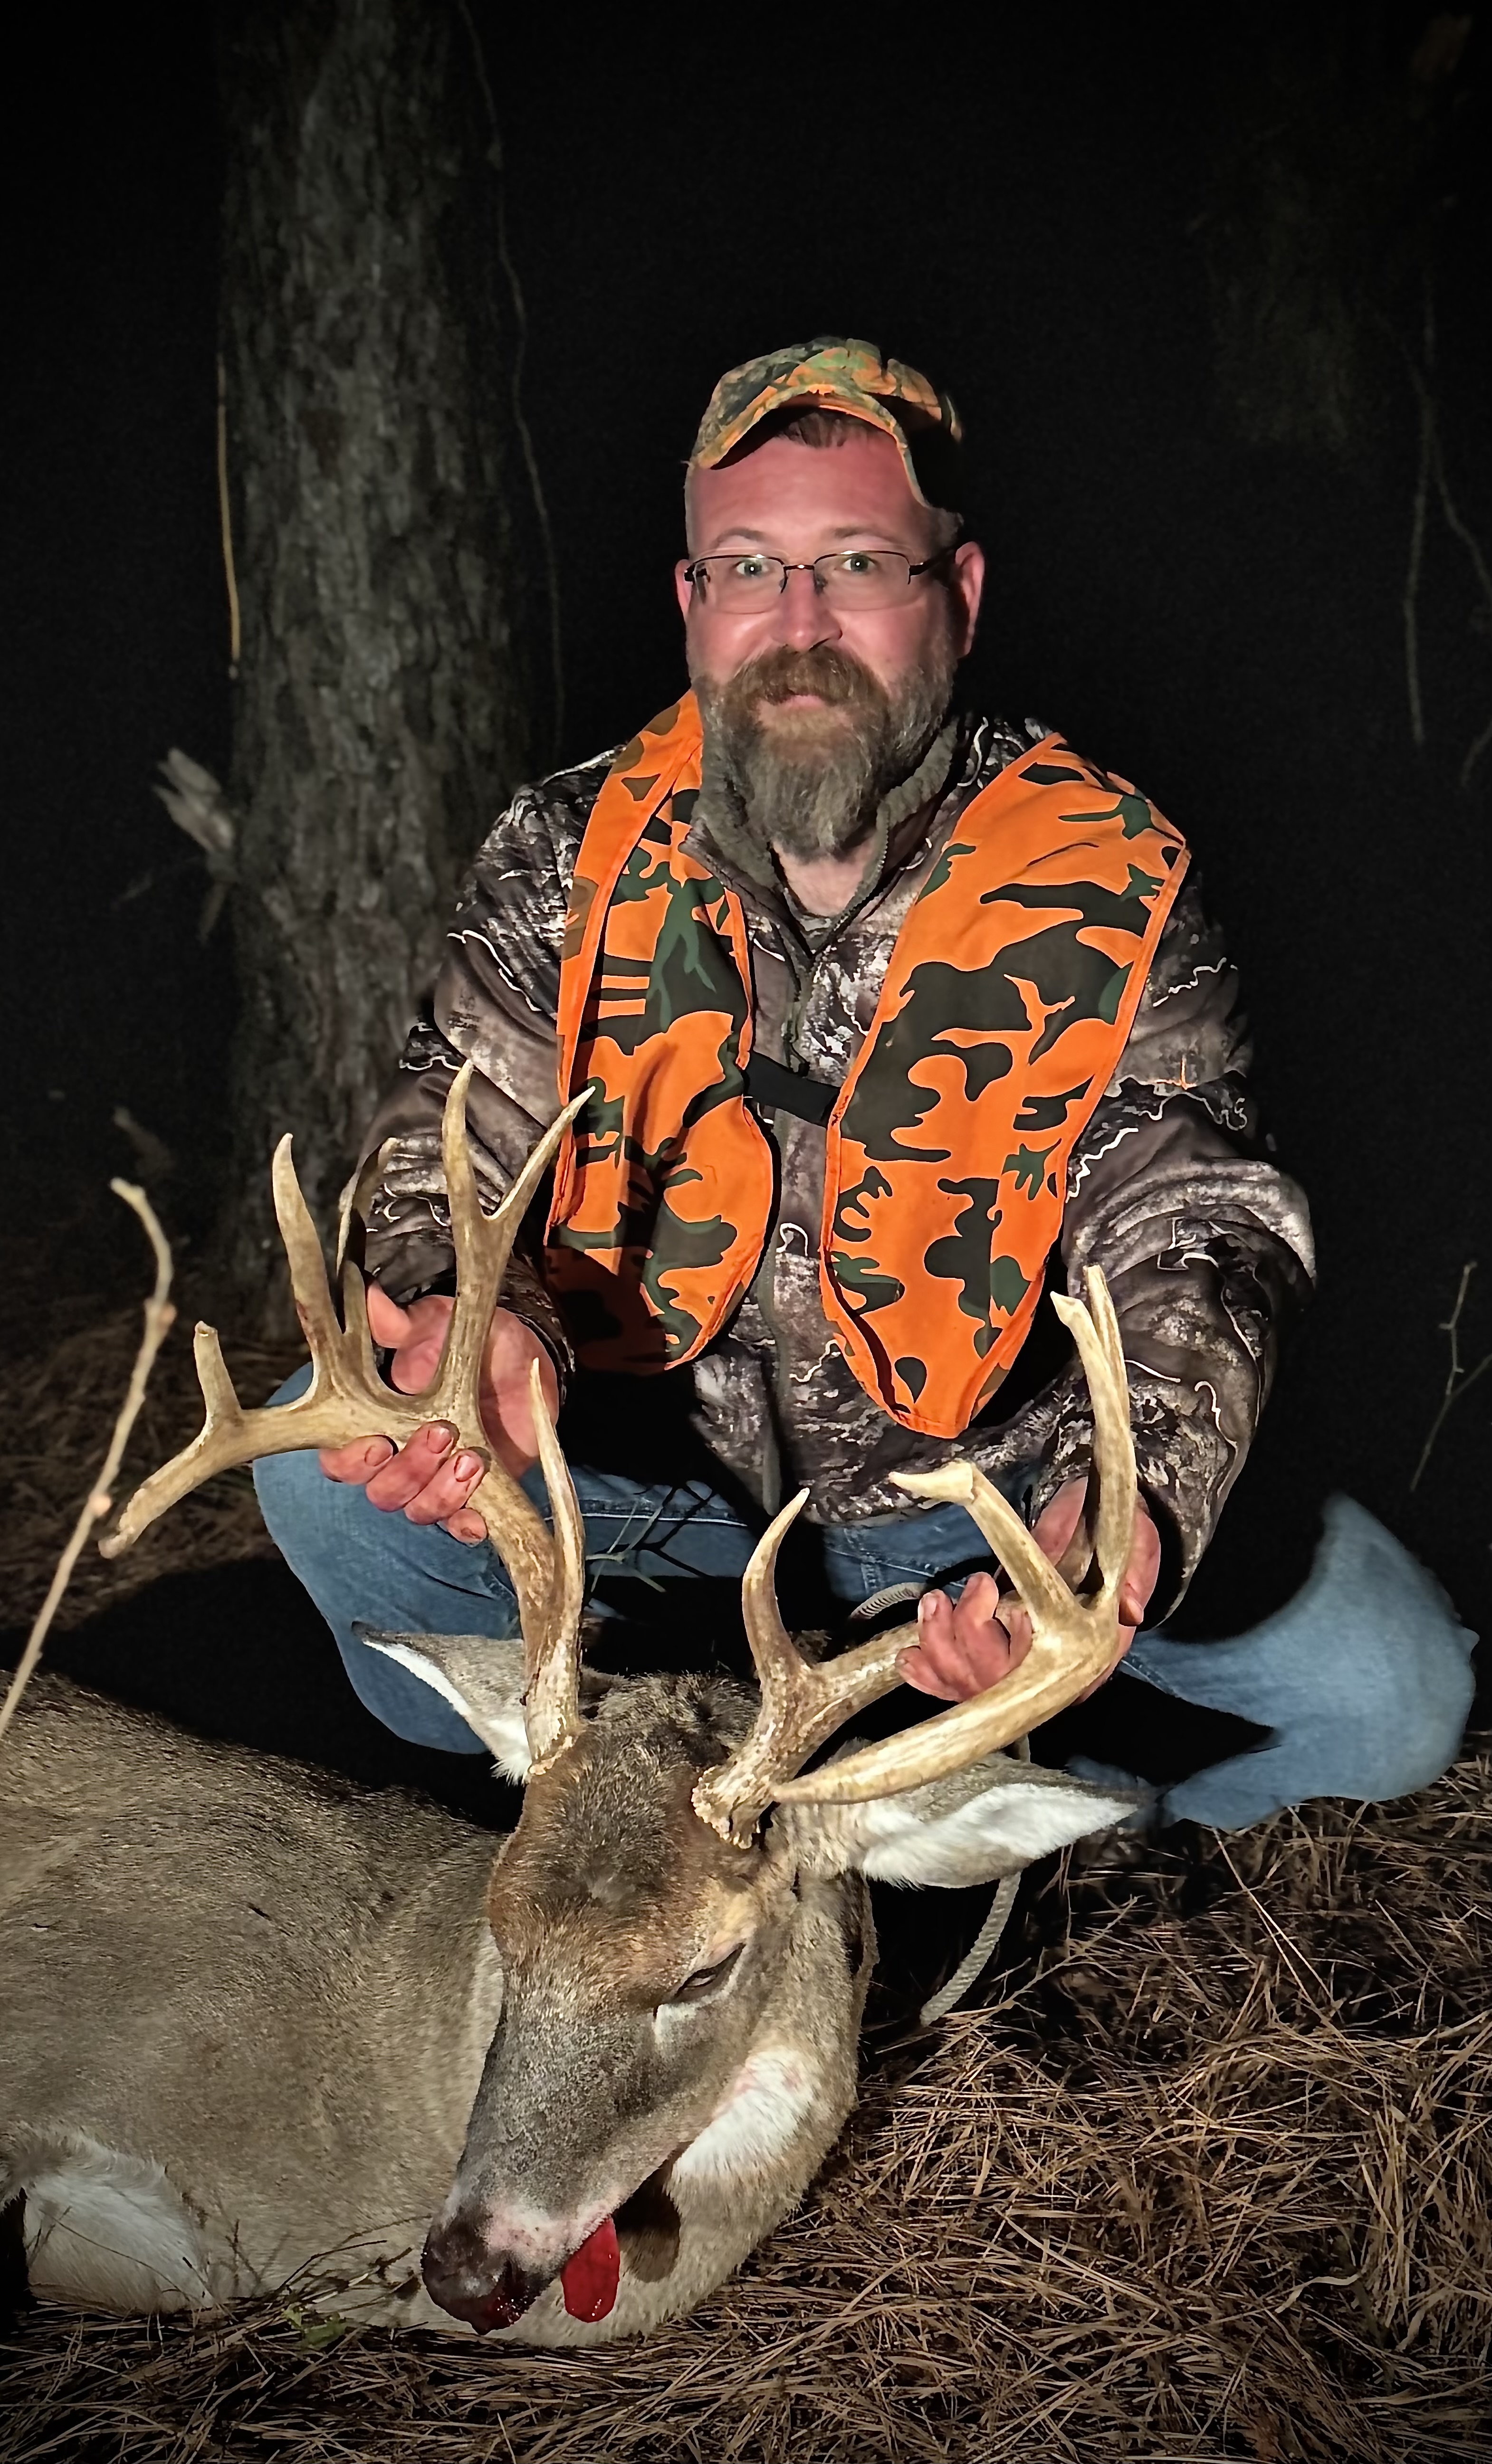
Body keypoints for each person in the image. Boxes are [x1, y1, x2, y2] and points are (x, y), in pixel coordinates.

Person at [256, 338, 1473, 1827]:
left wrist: (1120, 1505)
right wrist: (471, 1314)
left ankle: (991, 1799)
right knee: (322, 1485)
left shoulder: (1112, 877)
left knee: (1393, 1694)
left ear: (957, 594)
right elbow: (445, 1133)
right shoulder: (565, 852)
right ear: (691, 603)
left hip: (982, 1516)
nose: (800, 625)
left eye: (855, 563)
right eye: (748, 567)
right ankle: (640, 1772)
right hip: (648, 1493)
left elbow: (1196, 1222)